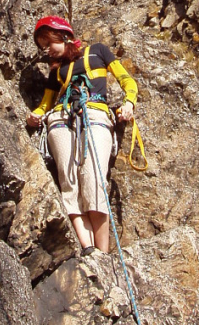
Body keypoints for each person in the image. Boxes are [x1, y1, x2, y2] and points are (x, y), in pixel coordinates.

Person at [26, 16, 138, 255]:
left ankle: (102, 253)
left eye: (48, 42)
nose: (46, 50)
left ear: (64, 36)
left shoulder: (98, 51)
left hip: (95, 113)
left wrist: (129, 102)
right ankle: (89, 249)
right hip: (60, 120)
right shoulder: (55, 72)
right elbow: (45, 104)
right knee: (69, 182)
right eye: (42, 46)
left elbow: (126, 79)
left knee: (93, 177)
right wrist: (34, 116)